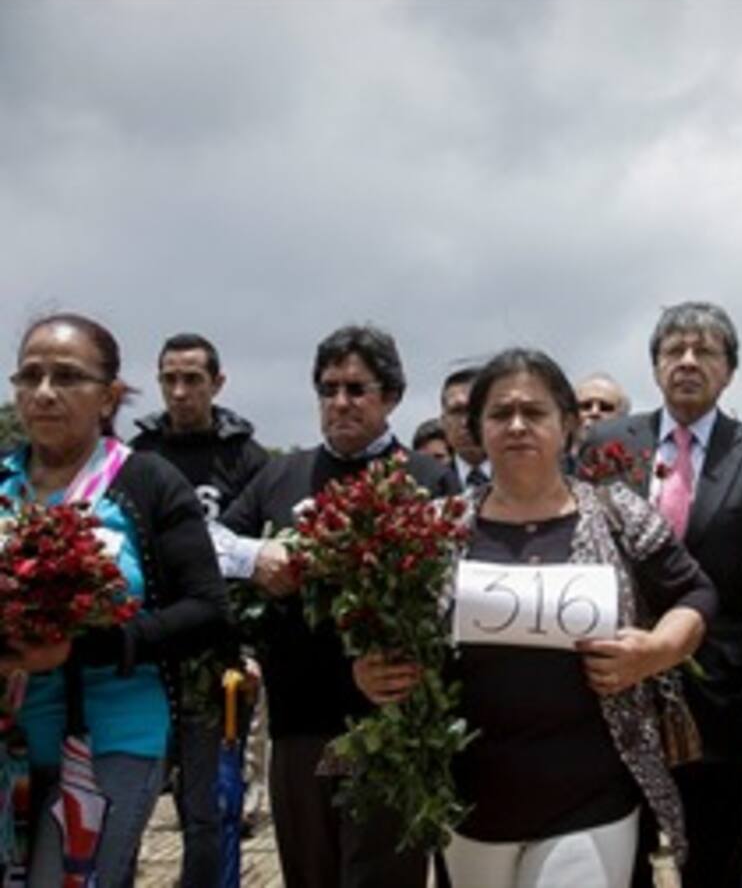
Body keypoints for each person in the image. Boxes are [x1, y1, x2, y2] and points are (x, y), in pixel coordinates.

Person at [354, 347, 716, 888]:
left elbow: (697, 593)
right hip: (470, 799)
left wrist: (657, 651)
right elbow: (378, 631)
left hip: (590, 794)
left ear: (568, 425)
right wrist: (370, 671)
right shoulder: (435, 530)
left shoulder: (619, 513)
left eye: (535, 412)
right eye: (500, 414)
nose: (517, 426)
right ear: (475, 428)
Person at [215, 324, 455, 888]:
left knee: (382, 875)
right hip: (299, 727)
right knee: (309, 874)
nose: (339, 403)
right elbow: (209, 543)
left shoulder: (424, 478)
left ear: (391, 396)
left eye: (356, 389)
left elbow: (450, 593)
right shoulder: (280, 475)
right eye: (328, 389)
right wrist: (258, 557)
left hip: (387, 728)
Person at [0, 313, 226, 886]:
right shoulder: (3, 486)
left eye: (67, 377)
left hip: (113, 734)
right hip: (11, 734)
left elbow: (206, 610)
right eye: (29, 377)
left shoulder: (147, 482)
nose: (45, 392)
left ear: (108, 397)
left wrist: (87, 647)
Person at [583, 302, 742, 888]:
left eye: (704, 351)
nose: (686, 362)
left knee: (714, 857)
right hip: (613, 686)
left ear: (729, 371)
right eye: (673, 351)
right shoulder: (606, 444)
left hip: (721, 696)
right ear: (654, 367)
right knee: (614, 856)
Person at [130, 331, 269, 887]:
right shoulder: (139, 457)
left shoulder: (248, 458)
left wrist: (251, 649)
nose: (180, 391)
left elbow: (262, 554)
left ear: (217, 383)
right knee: (133, 796)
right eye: (169, 379)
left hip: (217, 653)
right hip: (145, 648)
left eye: (193, 379)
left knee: (208, 802)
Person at [440, 366, 491, 491]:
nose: (466, 422)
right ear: (443, 422)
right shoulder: (429, 483)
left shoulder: (524, 477)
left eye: (476, 410)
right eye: (457, 411)